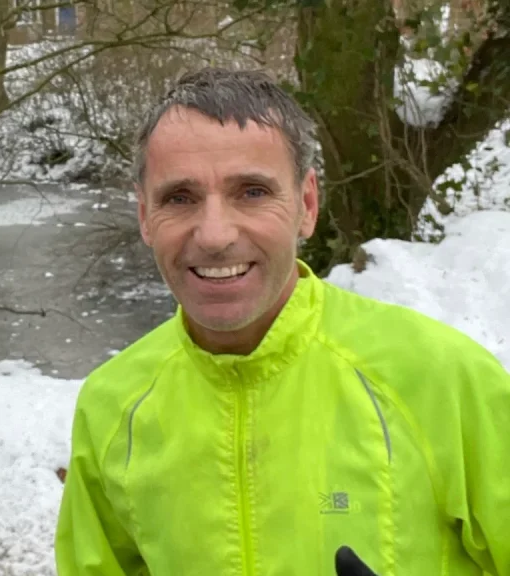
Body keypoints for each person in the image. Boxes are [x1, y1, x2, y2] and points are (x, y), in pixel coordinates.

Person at [54, 68, 510, 576]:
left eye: (252, 192)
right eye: (179, 198)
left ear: (306, 205)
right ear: (145, 216)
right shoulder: (111, 409)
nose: (214, 235)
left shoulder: (444, 380)